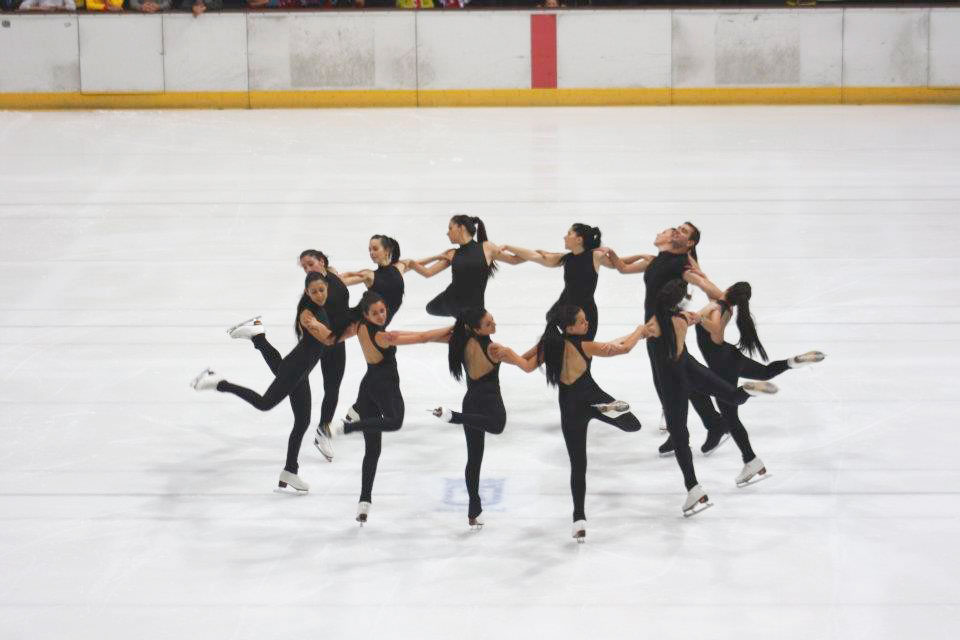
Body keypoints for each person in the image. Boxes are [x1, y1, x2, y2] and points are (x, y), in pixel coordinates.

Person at [191, 273, 351, 492]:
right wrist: (357, 329)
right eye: (314, 291)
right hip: (295, 369)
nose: (319, 295)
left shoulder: (323, 309)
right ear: (307, 292)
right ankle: (219, 382)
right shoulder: (307, 315)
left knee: (302, 422)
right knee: (265, 403)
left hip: (301, 372)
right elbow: (328, 338)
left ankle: (290, 471)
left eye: (322, 290)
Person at [315, 291, 452, 525]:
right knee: (395, 421)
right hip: (384, 386)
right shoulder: (381, 336)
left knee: (373, 450)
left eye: (383, 310)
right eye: (376, 313)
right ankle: (344, 428)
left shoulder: (359, 326)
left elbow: (408, 335)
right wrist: (453, 329)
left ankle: (364, 502)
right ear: (366, 314)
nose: (381, 315)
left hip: (368, 385)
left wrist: (447, 336)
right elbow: (422, 338)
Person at [644, 279, 778, 517]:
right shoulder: (685, 317)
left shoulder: (657, 325)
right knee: (733, 398)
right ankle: (745, 395)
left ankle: (694, 488)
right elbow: (711, 292)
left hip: (681, 378)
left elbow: (627, 345)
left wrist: (631, 337)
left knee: (681, 436)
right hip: (694, 369)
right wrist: (695, 273)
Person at [606, 223, 731, 455]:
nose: (676, 232)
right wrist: (612, 255)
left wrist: (720, 304)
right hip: (655, 329)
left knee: (677, 381)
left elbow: (708, 287)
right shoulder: (657, 260)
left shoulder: (682, 264)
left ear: (690, 243)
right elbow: (622, 268)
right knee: (668, 382)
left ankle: (711, 424)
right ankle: (688, 429)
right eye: (677, 230)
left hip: (668, 330)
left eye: (683, 232)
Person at [533, 304, 647, 542]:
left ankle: (579, 519)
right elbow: (623, 349)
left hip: (570, 409)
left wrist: (505, 355)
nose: (587, 324)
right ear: (570, 327)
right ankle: (610, 409)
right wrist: (639, 330)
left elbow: (525, 363)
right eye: (582, 321)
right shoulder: (585, 345)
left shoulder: (551, 346)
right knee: (633, 424)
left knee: (578, 465)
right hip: (593, 400)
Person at [692, 280, 825, 483]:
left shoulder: (717, 307)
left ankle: (751, 459)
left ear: (729, 289)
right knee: (765, 372)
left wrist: (698, 319)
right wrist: (692, 267)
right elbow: (704, 282)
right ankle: (792, 362)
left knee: (730, 418)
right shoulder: (722, 304)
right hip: (731, 356)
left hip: (721, 366)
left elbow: (716, 333)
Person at [430, 308, 538, 529]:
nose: (494, 324)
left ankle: (473, 508)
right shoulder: (494, 348)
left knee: (474, 459)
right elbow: (524, 363)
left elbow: (425, 337)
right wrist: (543, 346)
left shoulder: (460, 339)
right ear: (476, 328)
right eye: (489, 324)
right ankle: (455, 418)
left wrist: (398, 338)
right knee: (498, 426)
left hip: (470, 403)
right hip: (490, 404)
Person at [501, 223, 618, 341]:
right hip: (564, 309)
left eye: (569, 234)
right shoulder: (566, 259)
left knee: (581, 352)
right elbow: (534, 255)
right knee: (557, 349)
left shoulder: (595, 256)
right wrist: (508, 247)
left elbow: (619, 264)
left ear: (579, 239)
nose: (564, 237)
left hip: (585, 313)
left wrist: (629, 257)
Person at [405, 214, 523, 318]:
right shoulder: (451, 254)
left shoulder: (487, 248)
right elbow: (428, 272)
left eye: (450, 228)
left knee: (475, 335)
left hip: (475, 310)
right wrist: (412, 262)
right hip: (452, 302)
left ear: (461, 228)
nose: (447, 233)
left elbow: (514, 260)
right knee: (431, 308)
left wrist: (531, 254)